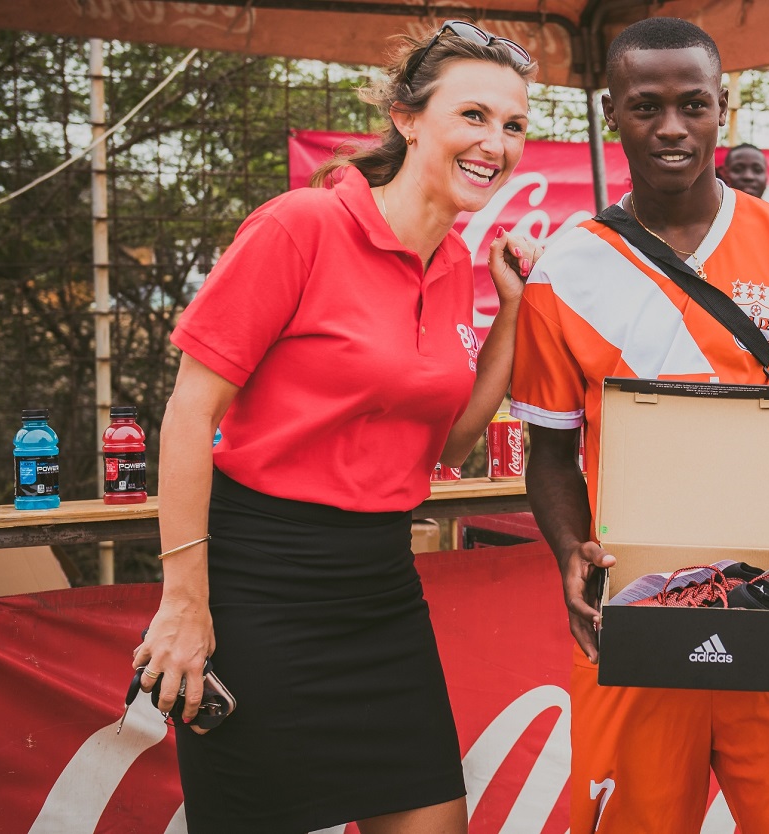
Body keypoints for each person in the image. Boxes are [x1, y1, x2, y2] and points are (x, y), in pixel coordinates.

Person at [133, 23, 539, 833]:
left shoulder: (457, 263)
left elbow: (453, 445)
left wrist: (511, 310)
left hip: (380, 590)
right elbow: (188, 414)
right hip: (259, 584)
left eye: (514, 124)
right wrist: (185, 602)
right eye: (474, 117)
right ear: (407, 117)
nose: (496, 143)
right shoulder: (301, 226)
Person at [510, 18, 769, 833]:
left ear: (723, 109)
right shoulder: (566, 270)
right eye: (645, 107)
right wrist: (571, 553)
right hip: (632, 613)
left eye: (692, 105)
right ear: (611, 114)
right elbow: (552, 451)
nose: (671, 128)